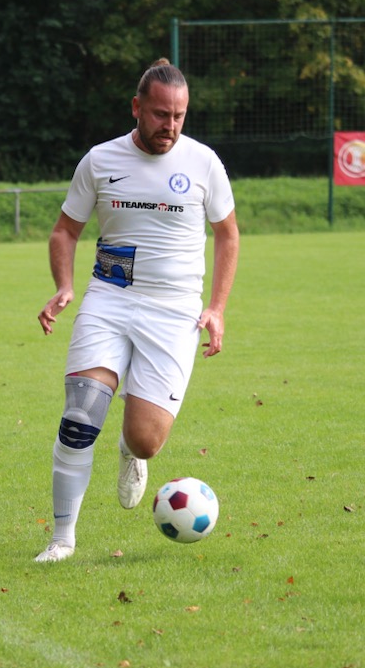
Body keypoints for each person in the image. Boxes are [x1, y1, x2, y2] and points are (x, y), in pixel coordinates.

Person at [33, 58, 240, 563]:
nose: (170, 125)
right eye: (160, 114)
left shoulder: (203, 163)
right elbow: (65, 231)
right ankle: (62, 539)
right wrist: (64, 286)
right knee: (80, 415)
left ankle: (130, 450)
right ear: (136, 108)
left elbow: (228, 235)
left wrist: (216, 307)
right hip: (109, 298)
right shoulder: (100, 161)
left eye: (179, 116)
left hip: (174, 313)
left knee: (146, 441)